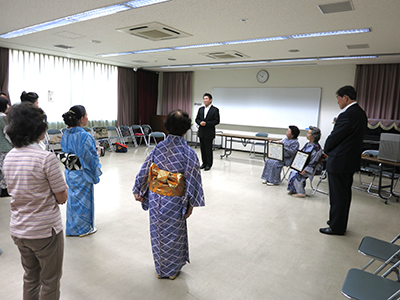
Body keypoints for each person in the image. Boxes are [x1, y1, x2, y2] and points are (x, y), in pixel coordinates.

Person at [3, 102, 68, 300]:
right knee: (50, 280)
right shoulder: (45, 158)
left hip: (19, 229)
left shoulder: (9, 157)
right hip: (45, 232)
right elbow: (62, 197)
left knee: (30, 277)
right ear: (37, 129)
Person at [133, 109, 205, 280]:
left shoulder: (159, 147)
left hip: (156, 197)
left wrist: (138, 188)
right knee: (172, 233)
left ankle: (160, 268)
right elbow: (193, 180)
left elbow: (145, 169)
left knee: (157, 232)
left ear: (167, 127)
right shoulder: (188, 153)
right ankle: (171, 270)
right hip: (175, 200)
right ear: (186, 128)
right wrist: (191, 203)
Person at [320, 85, 367, 235]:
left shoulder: (347, 114)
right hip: (349, 161)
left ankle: (336, 227)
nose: (338, 102)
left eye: (338, 99)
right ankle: (337, 221)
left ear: (345, 98)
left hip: (340, 161)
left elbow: (335, 137)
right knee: (344, 194)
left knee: (337, 196)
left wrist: (325, 149)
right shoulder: (360, 113)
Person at [61, 105, 102, 237]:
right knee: (84, 201)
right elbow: (90, 158)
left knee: (73, 200)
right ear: (81, 118)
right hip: (82, 173)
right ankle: (83, 229)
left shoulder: (65, 133)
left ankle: (71, 228)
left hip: (70, 171)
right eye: (86, 115)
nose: (87, 118)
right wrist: (95, 173)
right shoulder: (85, 136)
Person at [287, 126, 323, 197]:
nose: (307, 134)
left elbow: (314, 162)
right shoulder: (307, 144)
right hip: (303, 165)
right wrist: (294, 165)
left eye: (309, 133)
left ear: (314, 136)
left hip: (312, 168)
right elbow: (300, 155)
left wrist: (305, 170)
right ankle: (294, 190)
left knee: (298, 174)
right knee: (293, 172)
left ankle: (301, 192)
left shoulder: (316, 148)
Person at [195, 93, 220, 171]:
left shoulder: (215, 110)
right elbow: (197, 119)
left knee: (208, 149)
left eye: (206, 99)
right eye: (204, 99)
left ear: (210, 100)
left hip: (209, 132)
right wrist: (200, 123)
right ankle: (204, 163)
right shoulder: (201, 109)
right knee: (202, 148)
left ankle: (209, 164)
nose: (205, 100)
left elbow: (217, 121)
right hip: (201, 132)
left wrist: (206, 123)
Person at [0, 95, 12, 197]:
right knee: (5, 169)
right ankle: (5, 190)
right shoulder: (3, 118)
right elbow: (8, 134)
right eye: (7, 104)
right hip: (5, 148)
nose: (8, 106)